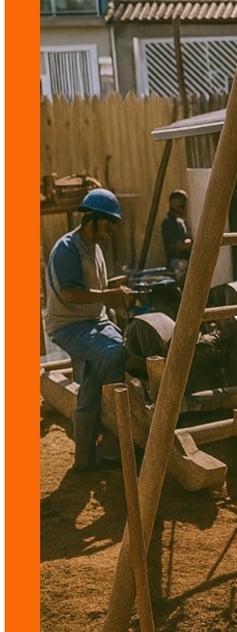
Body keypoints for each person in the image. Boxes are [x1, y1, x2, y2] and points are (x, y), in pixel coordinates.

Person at [44, 188, 134, 472]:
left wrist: (119, 289)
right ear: (92, 219)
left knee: (122, 357)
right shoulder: (67, 249)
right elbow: (70, 293)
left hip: (95, 321)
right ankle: (111, 445)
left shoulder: (95, 247)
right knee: (113, 355)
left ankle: (88, 458)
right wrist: (109, 296)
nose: (110, 232)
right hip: (69, 326)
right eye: (108, 225)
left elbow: (95, 289)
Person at [161, 189, 193, 281]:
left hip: (183, 263)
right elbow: (178, 245)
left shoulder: (180, 221)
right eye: (182, 204)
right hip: (178, 264)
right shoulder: (169, 222)